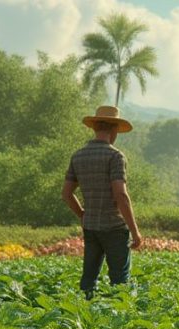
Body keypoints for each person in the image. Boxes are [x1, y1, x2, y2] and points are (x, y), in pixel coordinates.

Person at [62, 105, 144, 298]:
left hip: (91, 227)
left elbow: (66, 194)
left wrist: (82, 214)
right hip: (114, 227)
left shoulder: (78, 156)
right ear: (114, 129)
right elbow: (121, 195)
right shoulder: (115, 156)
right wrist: (135, 231)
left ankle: (83, 315)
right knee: (120, 280)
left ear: (95, 127)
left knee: (89, 278)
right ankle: (119, 319)